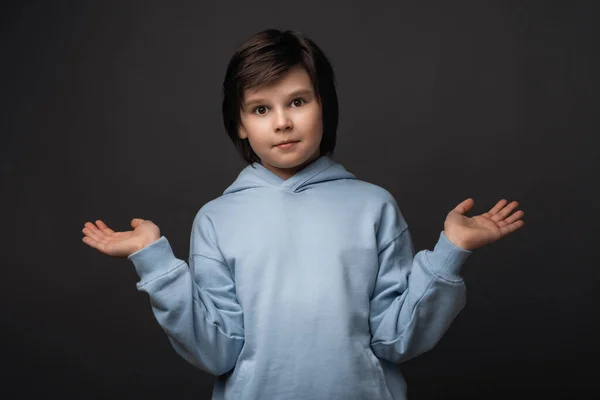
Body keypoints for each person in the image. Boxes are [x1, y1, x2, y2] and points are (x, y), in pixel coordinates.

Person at [81, 29, 525, 400]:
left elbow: (395, 338)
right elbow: (216, 352)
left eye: (297, 101)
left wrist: (451, 251)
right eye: (260, 109)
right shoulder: (216, 219)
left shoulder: (374, 206)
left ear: (324, 105)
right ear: (239, 124)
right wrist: (154, 260)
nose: (282, 123)